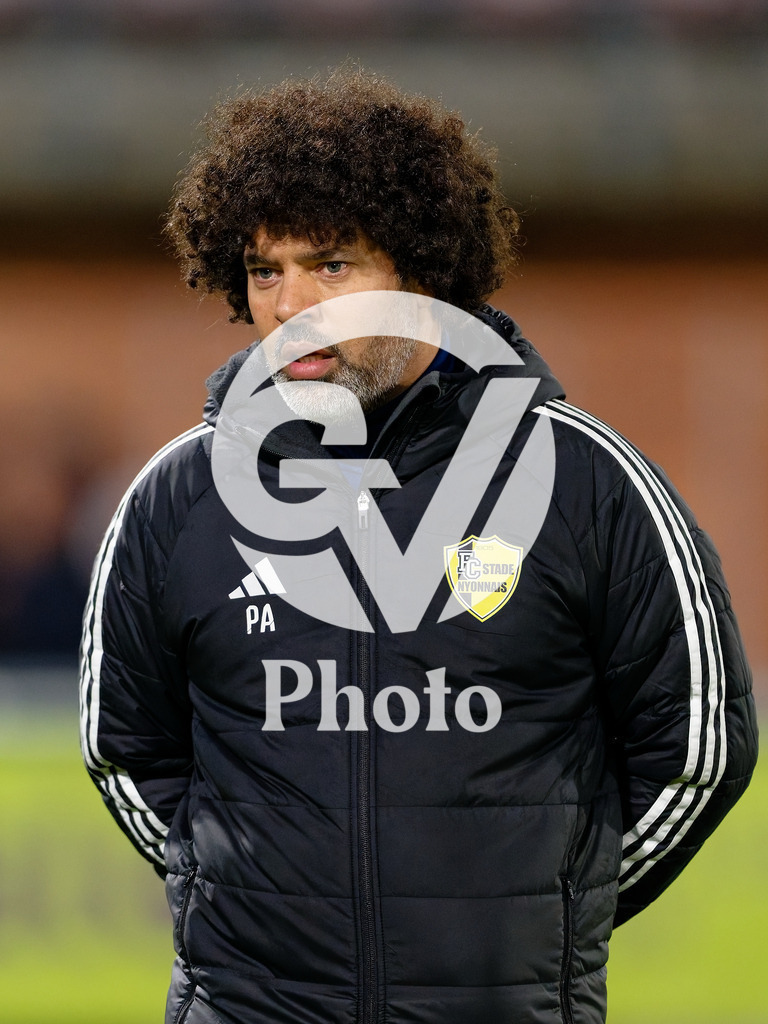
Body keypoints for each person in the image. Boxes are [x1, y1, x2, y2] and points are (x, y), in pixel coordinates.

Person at [79, 68, 758, 1024]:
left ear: (425, 275)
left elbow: (696, 745)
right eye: (265, 271)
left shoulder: (586, 483)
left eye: (332, 265)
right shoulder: (178, 496)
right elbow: (125, 747)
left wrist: (556, 908)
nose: (290, 304)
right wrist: (231, 891)